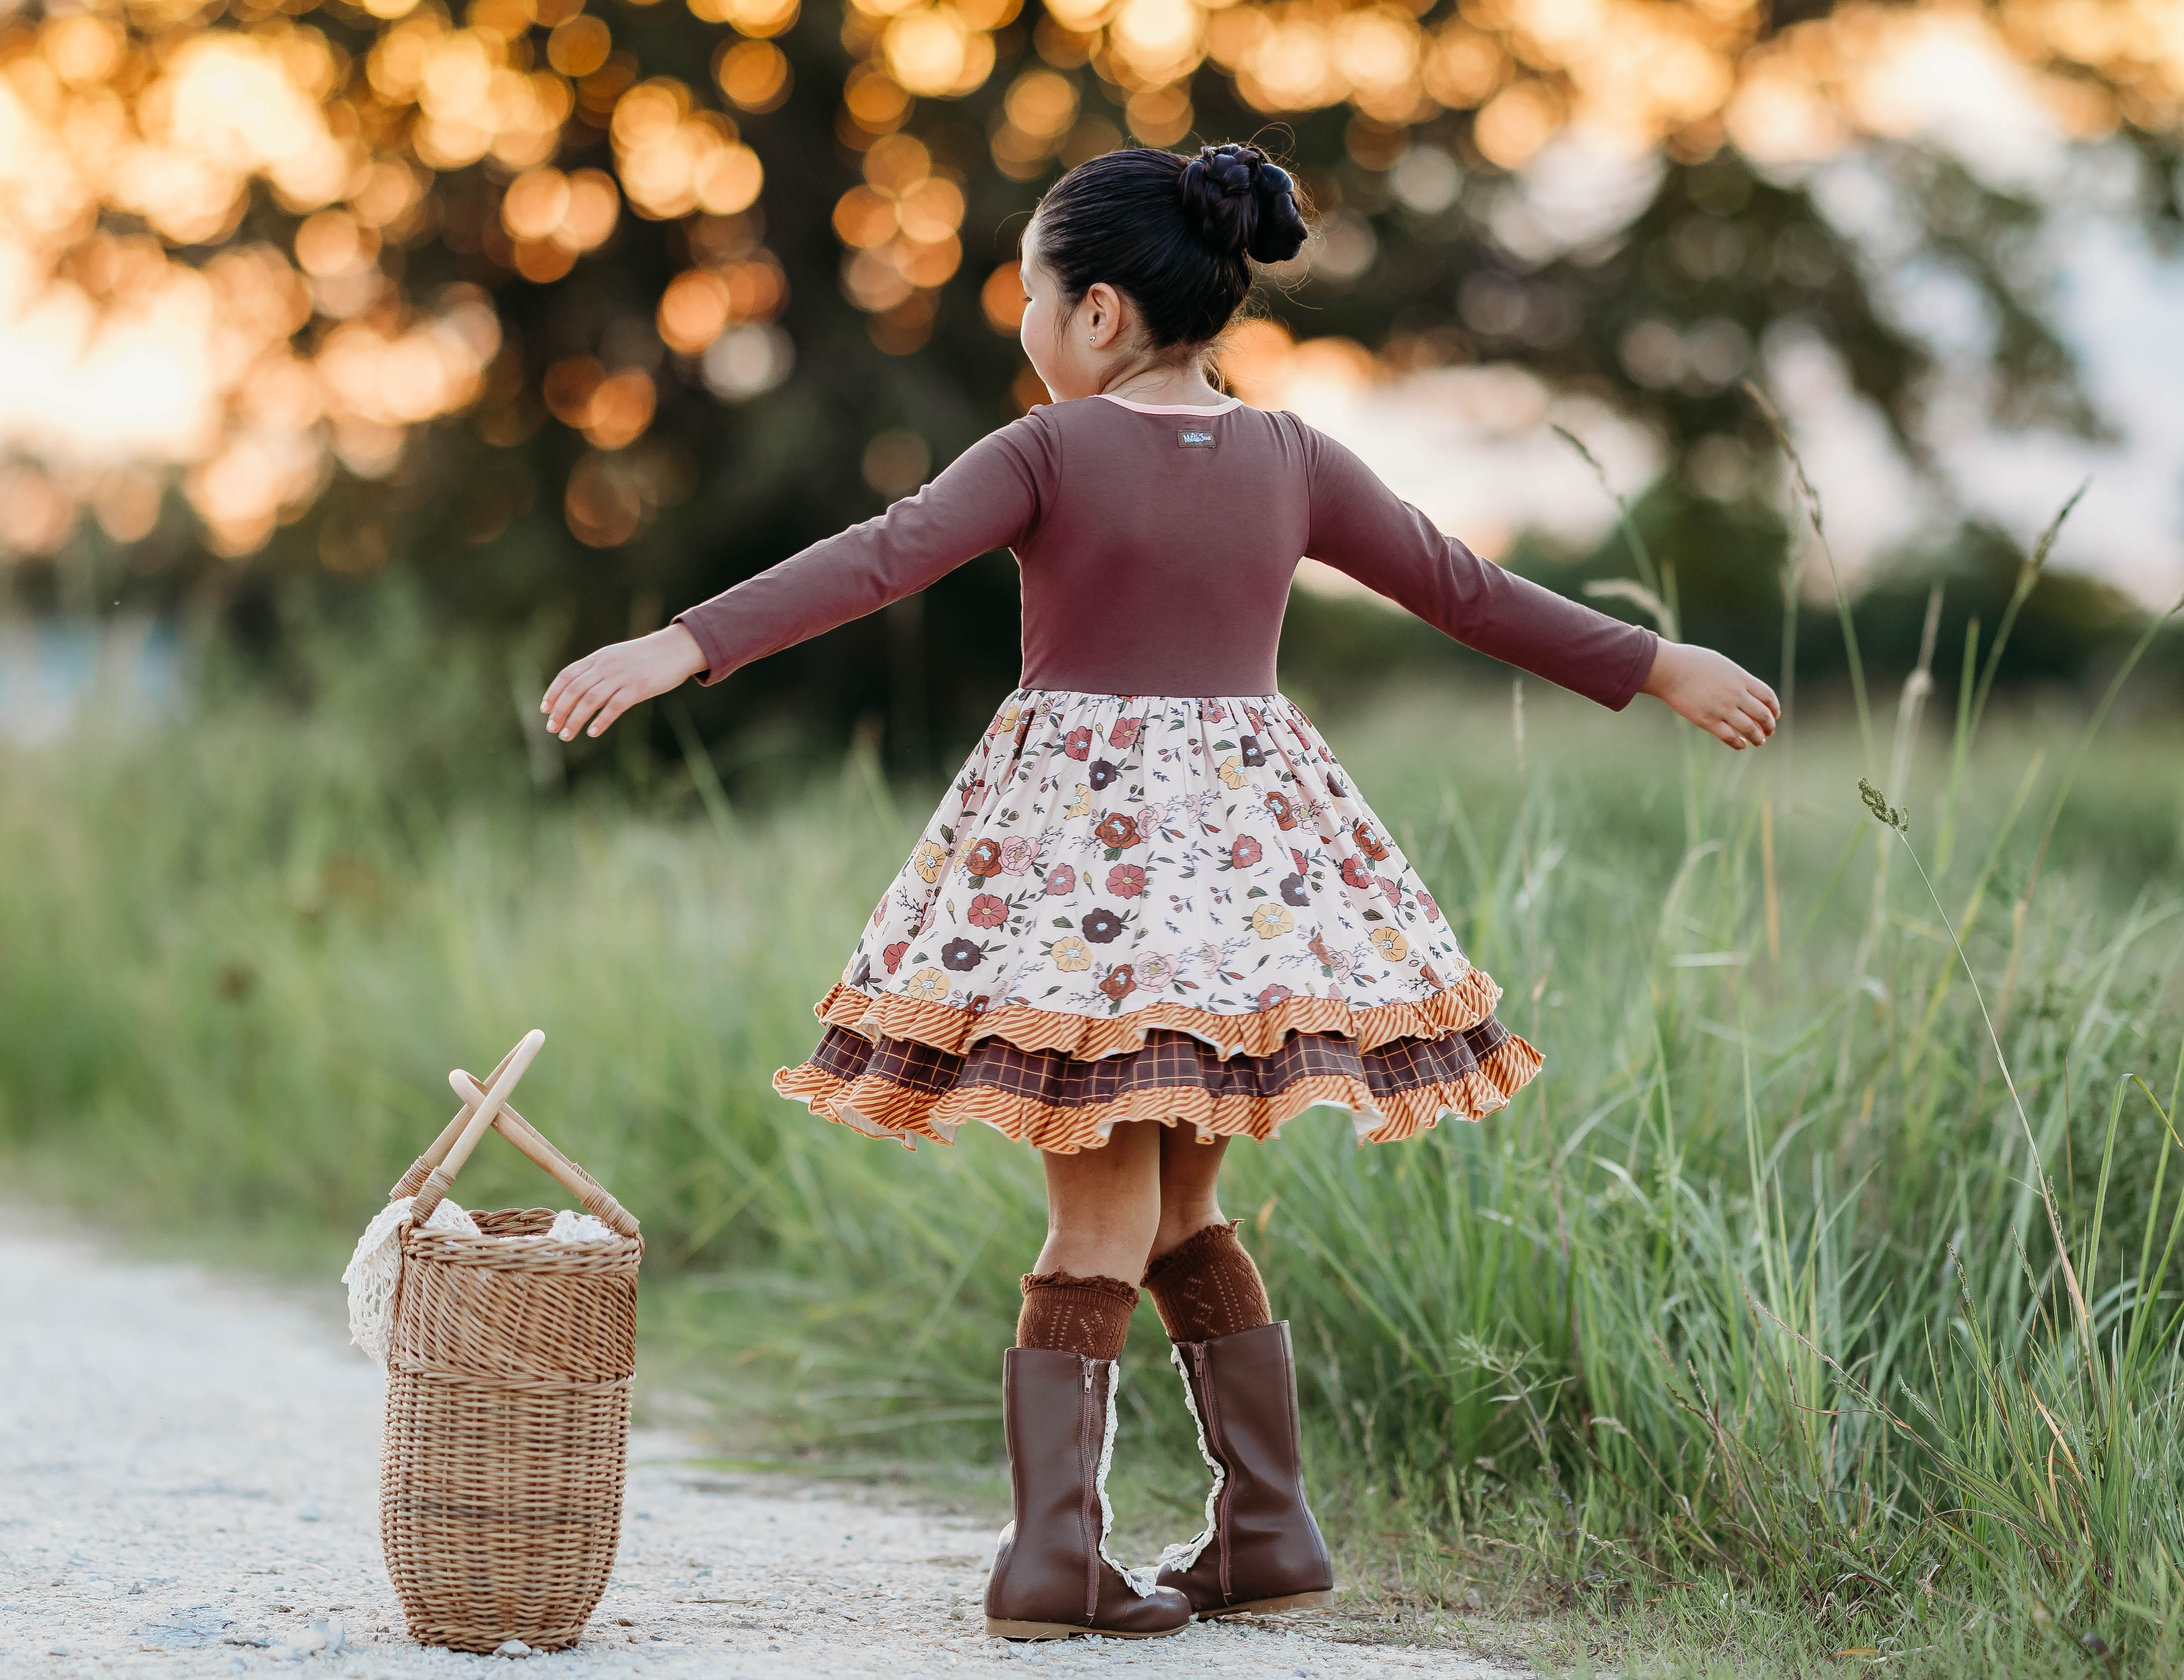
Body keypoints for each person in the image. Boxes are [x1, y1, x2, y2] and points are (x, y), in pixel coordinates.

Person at [540, 140, 1779, 1641]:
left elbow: (882, 559)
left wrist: (681, 644)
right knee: (1183, 1199)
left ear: (1104, 313)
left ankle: (1056, 1561)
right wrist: (1657, 662)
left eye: (1029, 296)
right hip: (1252, 887)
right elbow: (1465, 587)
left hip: (1086, 890)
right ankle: (1268, 1529)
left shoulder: (1046, 451)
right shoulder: (1294, 456)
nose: (1024, 325)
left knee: (1096, 1221)